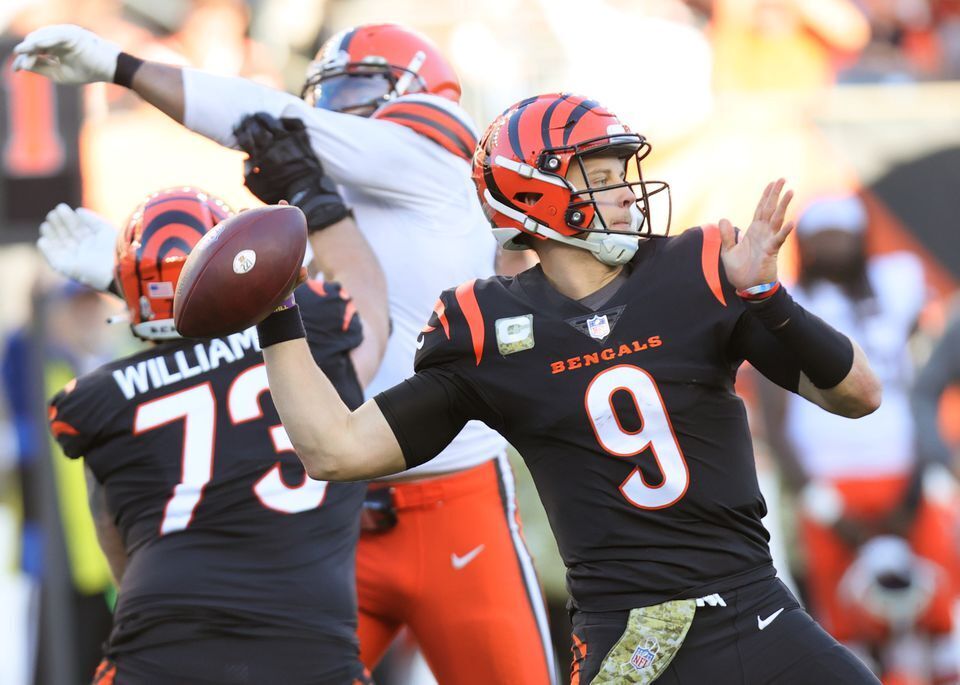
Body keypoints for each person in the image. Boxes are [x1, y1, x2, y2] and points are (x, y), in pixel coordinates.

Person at [259, 93, 884, 683]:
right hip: (636, 638)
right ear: (537, 193)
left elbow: (858, 395)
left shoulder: (697, 271)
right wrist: (275, 314)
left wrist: (768, 298)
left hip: (756, 606)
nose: (626, 193)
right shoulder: (484, 328)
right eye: (604, 178)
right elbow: (334, 450)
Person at [12, 22, 556, 684]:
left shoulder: (424, 160)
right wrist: (132, 282)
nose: (336, 111)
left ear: (420, 93)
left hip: (452, 502)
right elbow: (252, 333)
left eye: (357, 88)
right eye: (331, 94)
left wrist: (121, 66)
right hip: (325, 518)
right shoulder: (324, 196)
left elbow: (274, 120)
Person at [42, 188, 374, 684]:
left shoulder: (96, 398)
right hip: (308, 645)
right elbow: (361, 298)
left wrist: (134, 284)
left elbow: (115, 536)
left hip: (161, 644)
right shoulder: (320, 324)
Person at [756, 195, 959, 684]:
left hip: (905, 472)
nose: (832, 246)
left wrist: (922, 477)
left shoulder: (898, 290)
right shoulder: (789, 307)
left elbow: (923, 382)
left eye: (841, 234)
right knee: (847, 625)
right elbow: (774, 413)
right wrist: (819, 502)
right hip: (830, 478)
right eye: (821, 236)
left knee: (938, 615)